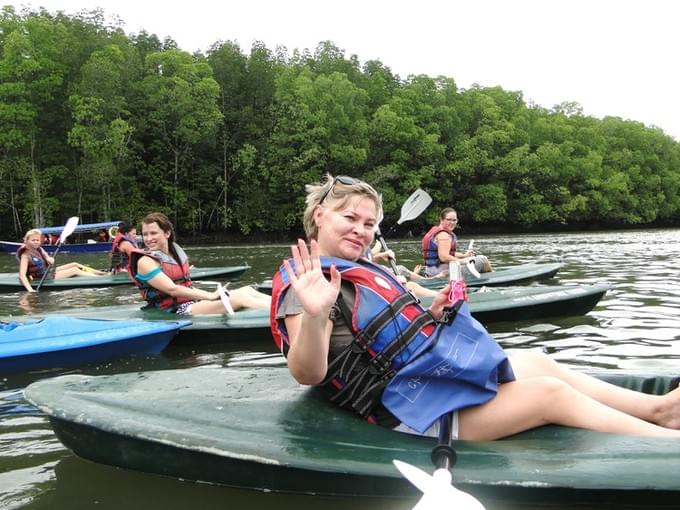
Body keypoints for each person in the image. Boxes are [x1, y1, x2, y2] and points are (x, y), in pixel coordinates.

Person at [270, 174, 680, 440]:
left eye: (369, 224)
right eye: (349, 218)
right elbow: (307, 373)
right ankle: (668, 443)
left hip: (427, 378)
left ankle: (656, 409)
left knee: (539, 362)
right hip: (404, 409)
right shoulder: (307, 285)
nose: (360, 230)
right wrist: (316, 311)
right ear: (320, 215)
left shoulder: (358, 267)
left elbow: (387, 334)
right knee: (549, 394)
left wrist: (429, 314)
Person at [128, 212, 271, 315]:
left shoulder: (174, 253)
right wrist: (210, 296)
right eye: (145, 234)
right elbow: (173, 290)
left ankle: (287, 307)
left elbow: (185, 284)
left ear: (167, 233)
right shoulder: (145, 261)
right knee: (240, 299)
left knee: (248, 290)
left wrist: (210, 296)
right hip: (174, 310)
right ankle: (281, 316)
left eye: (153, 233)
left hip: (190, 303)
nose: (148, 238)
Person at [16, 229, 108, 292]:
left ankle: (100, 273)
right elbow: (22, 275)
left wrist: (49, 259)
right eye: (33, 240)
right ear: (27, 241)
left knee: (75, 264)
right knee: (74, 270)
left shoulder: (38, 248)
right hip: (43, 278)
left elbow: (46, 256)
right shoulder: (25, 255)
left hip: (48, 271)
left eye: (37, 240)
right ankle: (99, 279)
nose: (36, 242)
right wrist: (30, 289)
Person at [422, 208, 492, 278]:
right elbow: (443, 257)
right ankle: (492, 277)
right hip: (443, 273)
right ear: (441, 219)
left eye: (454, 220)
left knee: (476, 259)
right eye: (449, 220)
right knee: (483, 259)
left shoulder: (435, 230)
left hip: (430, 271)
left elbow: (445, 252)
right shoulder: (443, 235)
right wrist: (462, 261)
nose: (452, 222)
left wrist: (464, 255)